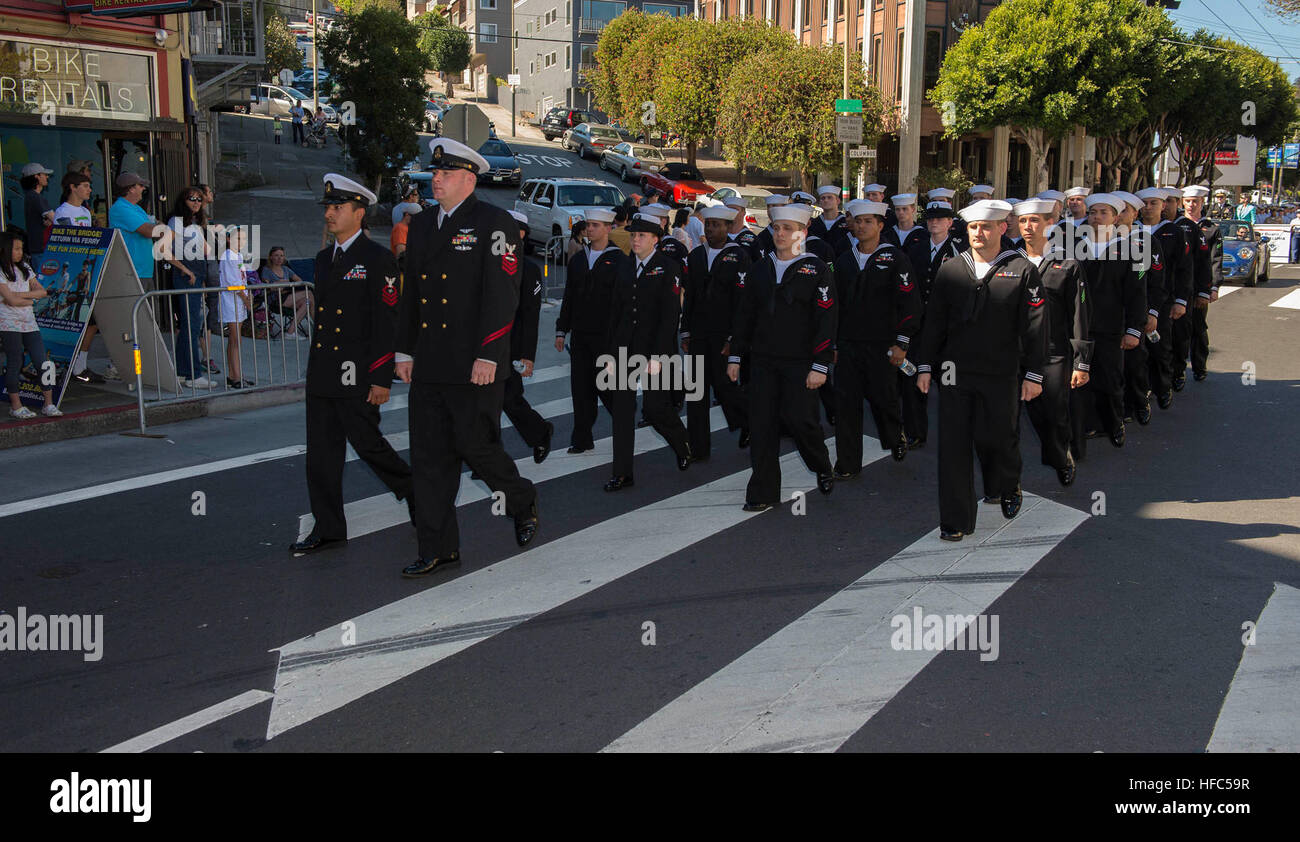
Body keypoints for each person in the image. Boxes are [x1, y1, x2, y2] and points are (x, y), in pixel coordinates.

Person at [395, 138, 540, 576]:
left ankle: (522, 498)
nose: (435, 179)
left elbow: (503, 297)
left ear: (469, 179)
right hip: (431, 362)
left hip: (475, 363)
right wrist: (403, 350)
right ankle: (439, 548)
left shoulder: (493, 224)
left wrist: (491, 355)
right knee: (429, 457)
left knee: (477, 450)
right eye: (434, 172)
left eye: (445, 173)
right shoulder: (420, 227)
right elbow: (412, 297)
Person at [290, 172, 414, 556]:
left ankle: (414, 491)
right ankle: (328, 528)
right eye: (328, 207)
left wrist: (381, 379)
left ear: (359, 213)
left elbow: (386, 321)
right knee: (321, 457)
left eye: (337, 207)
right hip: (324, 371)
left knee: (369, 446)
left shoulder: (377, 259)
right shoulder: (325, 259)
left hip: (358, 373)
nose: (329, 213)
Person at [914, 199, 1046, 541]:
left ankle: (1007, 481)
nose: (978, 233)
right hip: (953, 372)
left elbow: (1036, 325)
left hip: (1000, 372)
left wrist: (1033, 374)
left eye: (986, 227)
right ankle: (956, 521)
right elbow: (934, 324)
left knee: (997, 438)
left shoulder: (1021, 270)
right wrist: (925, 366)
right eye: (973, 227)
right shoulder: (952, 269)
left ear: (1003, 228)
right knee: (953, 445)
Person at [726, 203, 836, 512]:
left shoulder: (816, 269)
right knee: (761, 425)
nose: (780, 234)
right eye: (776, 228)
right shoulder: (760, 267)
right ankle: (762, 491)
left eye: (787, 228)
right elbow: (744, 315)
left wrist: (820, 364)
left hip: (800, 363)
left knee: (801, 421)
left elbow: (827, 320)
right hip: (762, 361)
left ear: (802, 232)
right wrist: (736, 356)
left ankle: (821, 463)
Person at [602, 212, 693, 491]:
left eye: (642, 235)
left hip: (655, 350)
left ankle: (682, 444)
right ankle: (623, 473)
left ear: (656, 239)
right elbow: (616, 312)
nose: (636, 239)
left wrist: (658, 357)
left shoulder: (668, 267)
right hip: (624, 349)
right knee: (622, 410)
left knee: (655, 409)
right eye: (633, 234)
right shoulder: (625, 266)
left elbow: (669, 316)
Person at [832, 199, 921, 476]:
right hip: (848, 344)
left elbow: (910, 303)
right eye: (857, 221)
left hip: (883, 345)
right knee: (846, 405)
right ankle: (847, 464)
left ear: (881, 225)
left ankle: (895, 436)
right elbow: (834, 305)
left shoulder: (895, 258)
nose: (861, 226)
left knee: (884, 399)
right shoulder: (844, 259)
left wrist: (902, 342)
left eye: (868, 221)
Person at [1014, 198, 1090, 486]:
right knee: (1014, 414)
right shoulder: (1009, 261)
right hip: (1014, 352)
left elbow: (1079, 315)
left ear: (1050, 223)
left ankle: (1061, 456)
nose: (1028, 226)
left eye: (1035, 220)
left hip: (1053, 352)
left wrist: (1081, 361)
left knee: (1053, 412)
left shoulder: (1068, 263)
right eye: (1023, 221)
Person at [683, 202, 751, 459]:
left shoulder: (739, 256)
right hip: (699, 333)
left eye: (716, 225)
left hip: (724, 336)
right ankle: (698, 448)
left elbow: (742, 302)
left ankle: (750, 423)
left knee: (726, 389)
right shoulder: (696, 255)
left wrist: (734, 339)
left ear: (727, 227)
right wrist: (685, 330)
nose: (710, 229)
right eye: (708, 224)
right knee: (696, 391)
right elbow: (689, 296)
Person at [1077, 194, 1145, 449]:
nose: (1096, 217)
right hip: (1079, 327)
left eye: (1103, 213)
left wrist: (1133, 329)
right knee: (1080, 378)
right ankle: (1086, 424)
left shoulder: (1130, 250)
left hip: (1111, 327)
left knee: (1109, 378)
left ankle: (1114, 423)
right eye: (1092, 212)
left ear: (1115, 218)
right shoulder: (1073, 246)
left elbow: (1137, 293)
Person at [556, 207, 623, 452]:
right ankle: (581, 438)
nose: (590, 229)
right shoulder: (578, 259)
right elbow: (569, 297)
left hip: (606, 338)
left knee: (608, 388)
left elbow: (623, 304)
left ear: (608, 228)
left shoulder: (619, 260)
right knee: (581, 388)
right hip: (581, 336)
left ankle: (625, 425)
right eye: (589, 225)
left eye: (596, 225)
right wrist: (561, 330)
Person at [900, 201, 960, 449]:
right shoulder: (916, 249)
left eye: (940, 218)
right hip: (918, 327)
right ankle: (915, 431)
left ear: (950, 223)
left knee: (948, 382)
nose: (934, 222)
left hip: (946, 330)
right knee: (910, 376)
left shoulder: (959, 251)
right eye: (931, 218)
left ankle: (954, 432)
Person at [503, 209, 554, 463]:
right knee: (484, 404)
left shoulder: (529, 269)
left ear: (522, 234)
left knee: (510, 399)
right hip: (486, 345)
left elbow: (530, 315)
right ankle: (486, 456)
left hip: (512, 346)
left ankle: (540, 431)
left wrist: (527, 355)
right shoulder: (488, 261)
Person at [0, 232, 62, 419]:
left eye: (21, 249)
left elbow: (41, 291)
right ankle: (16, 405)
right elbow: (10, 300)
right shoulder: (1, 271)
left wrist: (23, 298)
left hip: (29, 322)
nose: (20, 252)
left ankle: (48, 404)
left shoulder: (25, 267)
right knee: (15, 362)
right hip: (8, 323)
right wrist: (27, 299)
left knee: (42, 361)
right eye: (16, 249)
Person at [162, 189, 213, 389]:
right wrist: (185, 270)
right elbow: (164, 249)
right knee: (191, 325)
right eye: (192, 198)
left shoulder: (196, 222)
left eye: (199, 199)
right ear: (183, 200)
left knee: (190, 325)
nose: (196, 201)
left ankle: (184, 372)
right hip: (185, 274)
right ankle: (193, 374)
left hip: (196, 273)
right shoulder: (177, 220)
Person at [1174, 185, 1220, 385]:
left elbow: (1213, 260)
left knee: (1198, 328)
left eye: (1196, 202)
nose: (1192, 205)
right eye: (1188, 201)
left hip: (1198, 285)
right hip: (1180, 286)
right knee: (1179, 331)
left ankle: (1200, 366)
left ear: (1202, 203)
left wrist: (1212, 287)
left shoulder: (1210, 228)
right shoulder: (1175, 224)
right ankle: (1178, 368)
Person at [217, 229, 253, 389]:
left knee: (234, 339)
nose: (241, 241)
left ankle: (235, 374)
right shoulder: (228, 256)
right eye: (238, 238)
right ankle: (235, 375)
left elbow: (242, 278)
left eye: (243, 238)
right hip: (231, 300)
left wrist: (247, 294)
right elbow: (232, 282)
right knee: (235, 339)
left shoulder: (237, 256)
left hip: (239, 300)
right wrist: (245, 299)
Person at [259, 246, 314, 340]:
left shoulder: (285, 269)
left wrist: (288, 283)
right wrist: (278, 284)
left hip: (288, 296)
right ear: (271, 257)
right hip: (275, 299)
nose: (279, 258)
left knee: (307, 302)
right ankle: (319, 328)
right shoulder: (267, 270)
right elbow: (266, 287)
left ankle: (290, 332)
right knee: (309, 293)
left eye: (282, 255)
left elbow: (299, 281)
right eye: (276, 255)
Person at [20, 162, 55, 268]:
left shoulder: (30, 196)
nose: (47, 177)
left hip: (38, 247)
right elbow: (56, 219)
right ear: (36, 176)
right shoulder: (35, 197)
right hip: (41, 248)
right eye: (44, 174)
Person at [810, 185, 850, 251]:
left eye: (829, 197)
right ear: (820, 203)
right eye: (823, 198)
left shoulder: (846, 222)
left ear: (838, 201)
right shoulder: (814, 223)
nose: (826, 200)